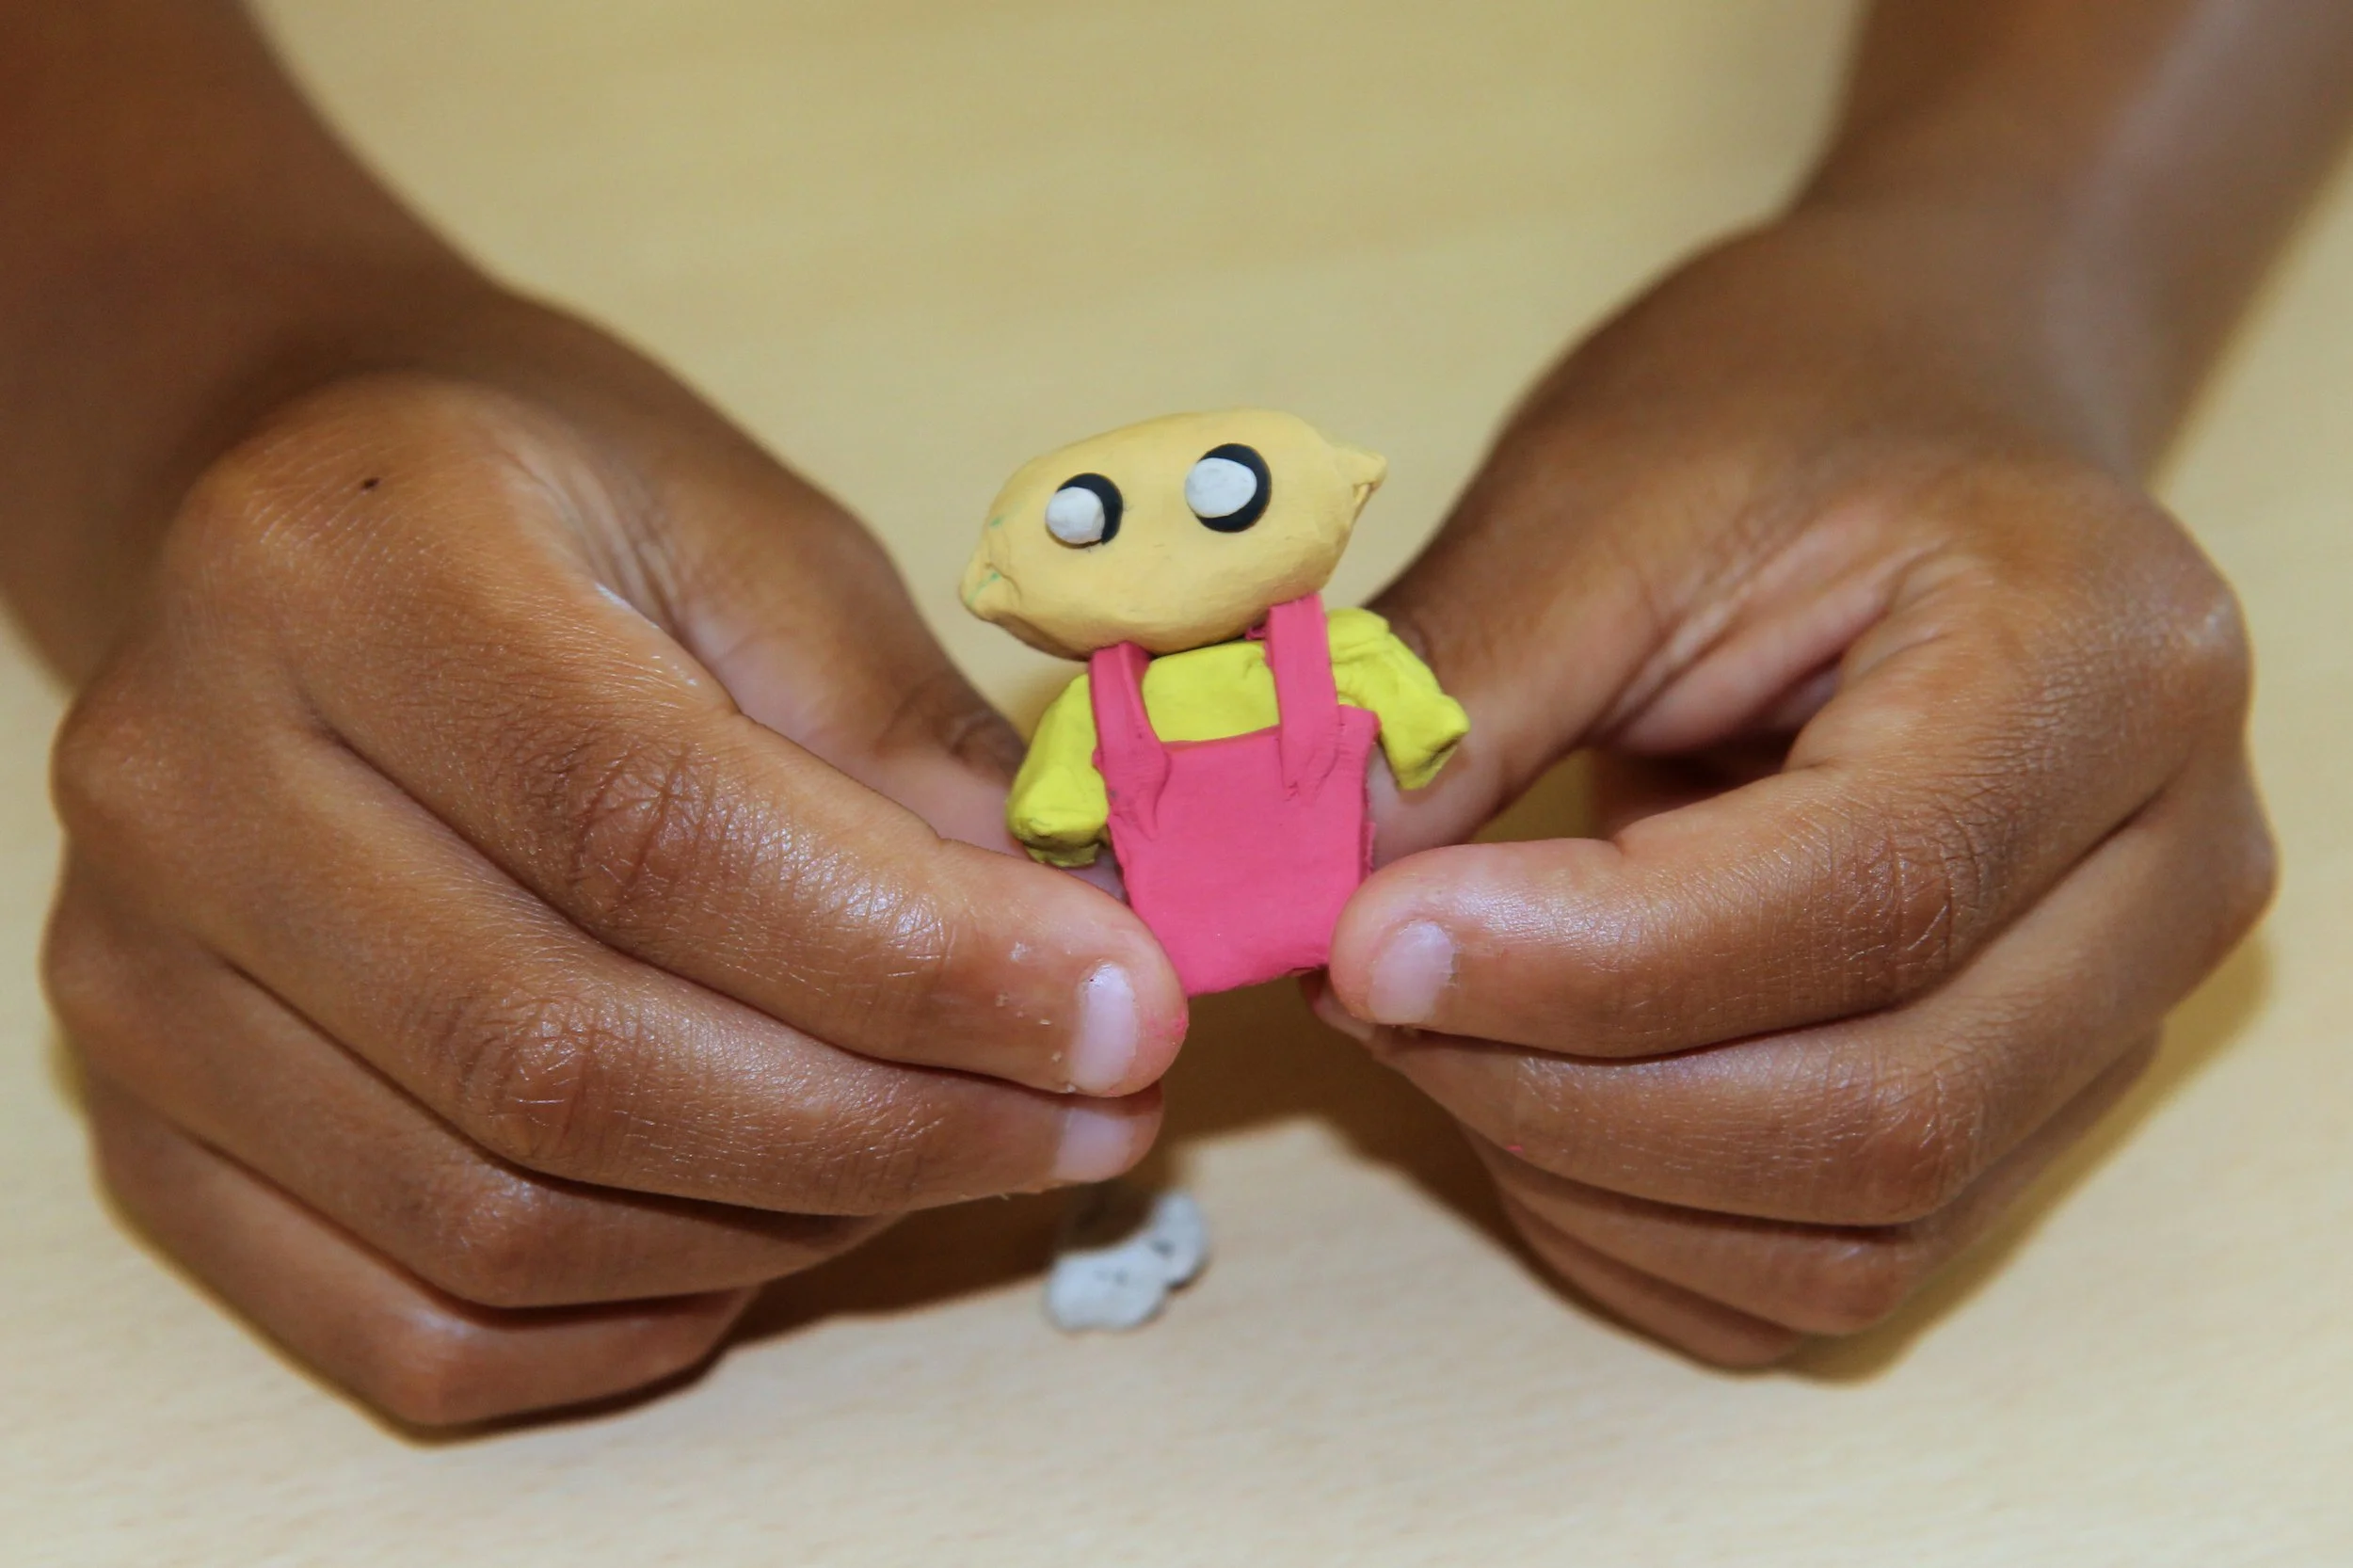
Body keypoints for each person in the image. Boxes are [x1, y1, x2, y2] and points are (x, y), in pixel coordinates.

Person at [4, 0, 2338, 1426]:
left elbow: (1380, 706)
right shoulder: (1102, 717)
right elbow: (1056, 779)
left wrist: (2010, 250)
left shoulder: (1332, 664)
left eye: (1215, 503)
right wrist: (207, 341)